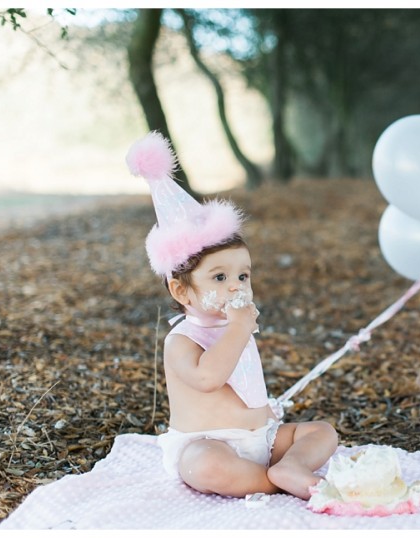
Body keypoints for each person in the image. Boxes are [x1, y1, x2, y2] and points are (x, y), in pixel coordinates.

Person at [126, 132, 338, 500]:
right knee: (206, 467)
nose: (236, 286)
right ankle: (273, 481)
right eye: (220, 277)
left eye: (243, 275)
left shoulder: (235, 326)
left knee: (322, 432)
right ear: (181, 291)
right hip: (209, 444)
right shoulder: (181, 341)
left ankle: (288, 466)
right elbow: (209, 378)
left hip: (263, 438)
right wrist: (240, 328)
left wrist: (268, 420)